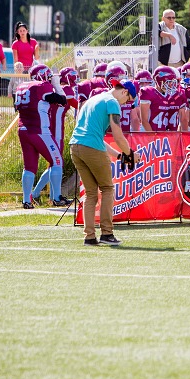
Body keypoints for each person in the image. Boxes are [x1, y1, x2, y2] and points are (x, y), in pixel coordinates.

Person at [70, 79, 137, 246]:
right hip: (91, 148)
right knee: (107, 188)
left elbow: (95, 137)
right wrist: (130, 154)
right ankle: (107, 233)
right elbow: (118, 136)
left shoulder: (93, 100)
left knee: (91, 193)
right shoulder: (112, 102)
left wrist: (120, 156)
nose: (125, 103)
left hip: (75, 147)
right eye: (128, 100)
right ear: (124, 92)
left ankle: (89, 236)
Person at [13, 64, 67, 209]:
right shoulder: (42, 86)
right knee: (57, 161)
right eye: (48, 77)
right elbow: (62, 100)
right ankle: (57, 198)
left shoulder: (21, 86)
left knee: (29, 166)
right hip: (39, 130)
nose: (49, 80)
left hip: (23, 129)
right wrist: (56, 84)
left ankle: (26, 200)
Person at [31, 66, 78, 205]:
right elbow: (78, 105)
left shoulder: (49, 88)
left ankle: (47, 195)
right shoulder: (66, 89)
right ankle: (47, 195)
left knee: (55, 163)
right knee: (57, 162)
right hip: (55, 130)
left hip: (47, 128)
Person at [140, 65, 188, 132]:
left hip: (163, 133)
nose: (171, 84)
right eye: (168, 82)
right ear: (159, 81)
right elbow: (144, 121)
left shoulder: (169, 96)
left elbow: (182, 119)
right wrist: (152, 136)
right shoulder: (148, 92)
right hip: (148, 133)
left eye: (172, 82)